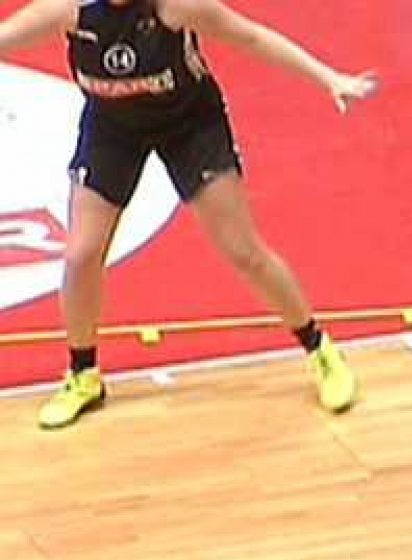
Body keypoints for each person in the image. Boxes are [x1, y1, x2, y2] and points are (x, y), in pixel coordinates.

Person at [0, 0, 374, 429]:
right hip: (112, 131)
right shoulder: (68, 9)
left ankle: (319, 347)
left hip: (190, 126)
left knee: (244, 251)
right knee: (80, 256)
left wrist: (328, 78)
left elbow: (250, 36)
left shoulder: (177, 7)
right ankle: (83, 375)